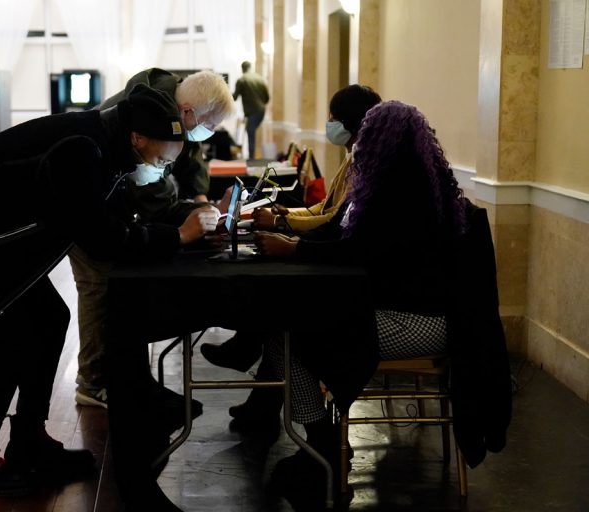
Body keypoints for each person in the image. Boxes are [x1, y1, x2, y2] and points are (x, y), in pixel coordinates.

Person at [0, 84, 220, 496]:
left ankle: (29, 438)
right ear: (138, 139)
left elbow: (119, 219)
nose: (161, 170)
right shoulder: (82, 150)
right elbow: (102, 238)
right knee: (13, 333)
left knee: (50, 318)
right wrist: (177, 236)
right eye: (162, 160)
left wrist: (182, 224)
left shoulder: (108, 145)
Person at [253, 101, 469, 505]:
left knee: (288, 335)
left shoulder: (404, 197)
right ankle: (322, 440)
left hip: (420, 323)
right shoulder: (398, 185)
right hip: (402, 311)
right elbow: (339, 234)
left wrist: (293, 249)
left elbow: (357, 251)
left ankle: (321, 445)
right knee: (294, 325)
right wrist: (291, 238)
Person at [199, 85, 382, 437]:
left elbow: (333, 223)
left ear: (350, 121)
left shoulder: (367, 167)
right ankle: (260, 406)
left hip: (360, 305)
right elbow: (325, 209)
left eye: (333, 118)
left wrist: (285, 225)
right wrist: (286, 215)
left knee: (283, 314)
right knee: (280, 309)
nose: (329, 124)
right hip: (348, 280)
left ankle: (308, 429)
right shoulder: (354, 157)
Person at [71, 69, 235, 408]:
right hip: (86, 200)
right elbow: (153, 199)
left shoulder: (174, 107)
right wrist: (189, 225)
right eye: (210, 124)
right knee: (99, 284)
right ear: (187, 112)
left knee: (118, 285)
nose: (210, 132)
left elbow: (188, 158)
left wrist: (201, 204)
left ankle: (130, 381)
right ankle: (93, 382)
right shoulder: (152, 117)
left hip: (107, 196)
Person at [232, 61, 270, 160]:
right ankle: (251, 157)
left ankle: (251, 159)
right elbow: (267, 98)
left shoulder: (242, 80)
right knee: (250, 131)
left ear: (242, 69)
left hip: (252, 111)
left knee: (250, 132)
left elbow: (234, 97)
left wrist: (223, 94)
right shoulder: (259, 79)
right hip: (261, 110)